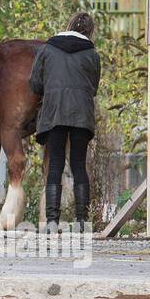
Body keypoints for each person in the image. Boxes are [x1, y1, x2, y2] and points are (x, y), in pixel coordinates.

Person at [29, 11, 101, 228]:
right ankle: (81, 221)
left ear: (68, 25)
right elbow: (93, 88)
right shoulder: (92, 54)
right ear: (89, 31)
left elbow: (34, 83)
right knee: (79, 164)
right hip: (81, 113)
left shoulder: (47, 49)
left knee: (55, 166)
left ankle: (51, 222)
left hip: (54, 112)